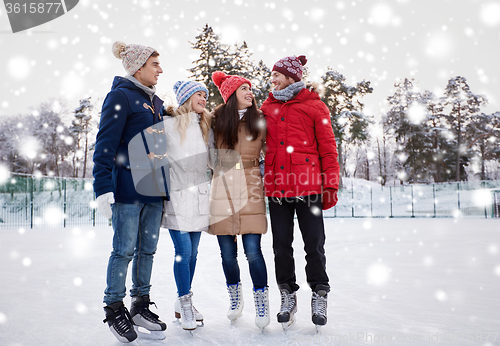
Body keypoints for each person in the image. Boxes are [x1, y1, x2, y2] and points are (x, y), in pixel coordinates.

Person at [93, 41, 168, 343]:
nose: (160, 69)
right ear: (138, 67)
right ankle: (114, 308)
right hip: (127, 189)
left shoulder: (157, 103)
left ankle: (140, 305)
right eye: (155, 64)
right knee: (124, 251)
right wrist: (102, 187)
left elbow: (159, 150)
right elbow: (105, 144)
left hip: (153, 190)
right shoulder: (120, 96)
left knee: (147, 251)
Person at [260, 55, 340, 330]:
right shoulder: (266, 108)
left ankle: (319, 293)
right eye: (272, 75)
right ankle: (287, 294)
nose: (273, 79)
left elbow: (328, 148)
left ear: (291, 77)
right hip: (277, 187)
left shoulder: (315, 106)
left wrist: (330, 184)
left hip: (309, 187)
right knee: (281, 246)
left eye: (277, 75)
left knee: (314, 245)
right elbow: (251, 140)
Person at [208, 71, 270, 331]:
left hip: (251, 184)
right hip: (222, 186)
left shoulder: (260, 120)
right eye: (243, 88)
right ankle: (235, 298)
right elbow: (208, 153)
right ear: (231, 94)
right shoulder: (216, 120)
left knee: (253, 250)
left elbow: (272, 151)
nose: (249, 92)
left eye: (250, 88)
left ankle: (261, 300)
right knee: (227, 254)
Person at [160, 80, 211, 332]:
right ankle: (186, 303)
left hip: (200, 199)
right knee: (183, 252)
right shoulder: (168, 125)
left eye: (205, 95)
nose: (203, 98)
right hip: (178, 199)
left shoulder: (205, 127)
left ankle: (183, 303)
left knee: (193, 254)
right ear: (187, 98)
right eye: (199, 94)